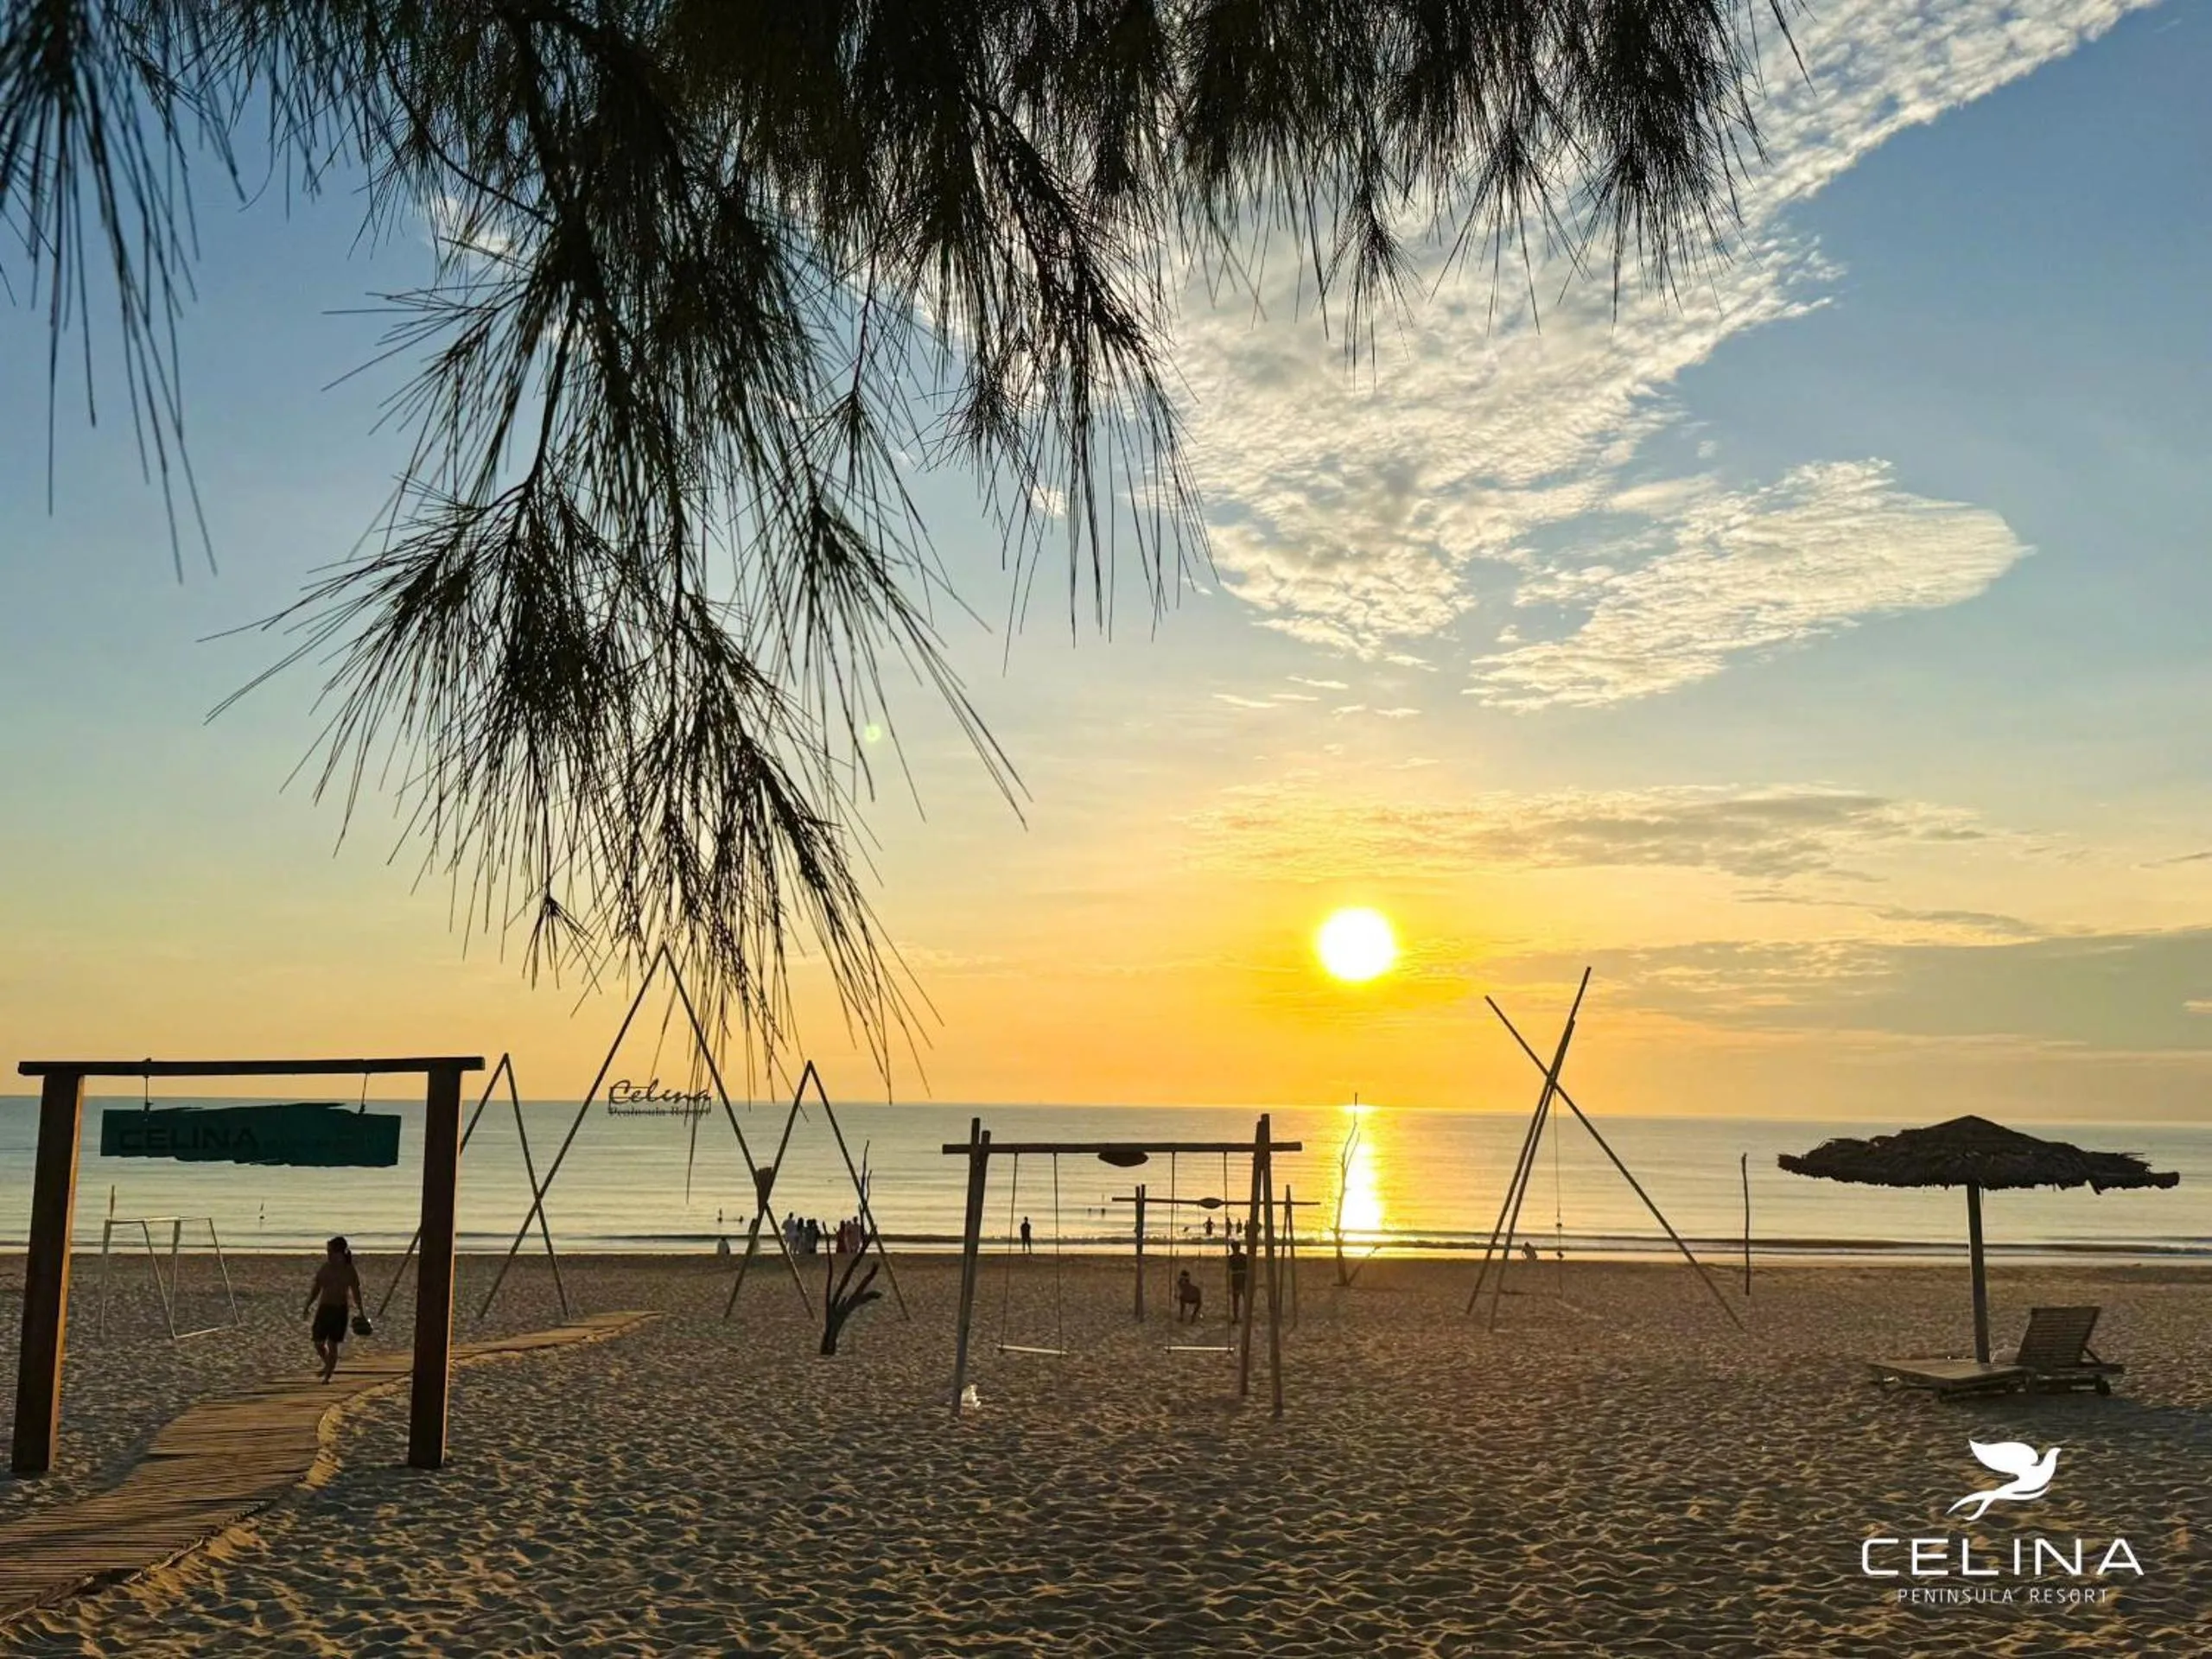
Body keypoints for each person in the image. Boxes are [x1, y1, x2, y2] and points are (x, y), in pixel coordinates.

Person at [304, 1236, 364, 1384]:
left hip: (340, 1310)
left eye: (330, 1252)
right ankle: (328, 1364)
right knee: (318, 1342)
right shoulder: (325, 1268)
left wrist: (361, 1310)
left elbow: (356, 1291)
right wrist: (307, 1306)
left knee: (332, 1344)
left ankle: (328, 1376)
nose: (328, 1255)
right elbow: (316, 1289)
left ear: (340, 1253)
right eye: (327, 1252)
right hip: (324, 1308)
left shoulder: (349, 1270)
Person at [1226, 1237, 1249, 1322]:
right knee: (1238, 1298)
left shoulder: (1232, 1257)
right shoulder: (1243, 1257)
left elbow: (1230, 1268)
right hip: (1238, 1277)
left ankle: (1238, 1317)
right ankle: (1237, 1317)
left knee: (1241, 1298)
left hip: (1239, 1277)